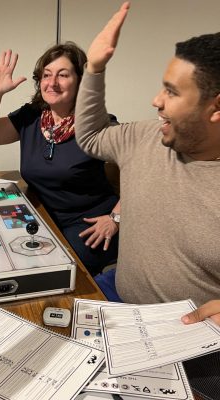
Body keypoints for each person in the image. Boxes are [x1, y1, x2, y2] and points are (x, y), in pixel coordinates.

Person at [74, 2, 220, 307]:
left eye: (172, 92)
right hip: (117, 294)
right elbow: (91, 137)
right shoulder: (147, 137)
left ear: (216, 108)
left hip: (185, 337)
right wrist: (94, 69)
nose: (156, 100)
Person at [0, 43, 121, 276]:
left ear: (81, 81)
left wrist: (116, 218)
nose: (52, 83)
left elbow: (143, 171)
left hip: (89, 226)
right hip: (44, 219)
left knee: (52, 272)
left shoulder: (98, 124)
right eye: (46, 75)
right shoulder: (32, 116)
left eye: (63, 75)